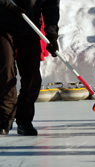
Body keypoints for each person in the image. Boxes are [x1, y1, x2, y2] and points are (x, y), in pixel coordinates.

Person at [0, 0, 60, 135]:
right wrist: (7, 5)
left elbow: (51, 6)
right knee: (6, 66)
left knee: (32, 77)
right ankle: (5, 117)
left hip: (29, 26)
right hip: (3, 25)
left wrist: (52, 35)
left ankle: (24, 120)